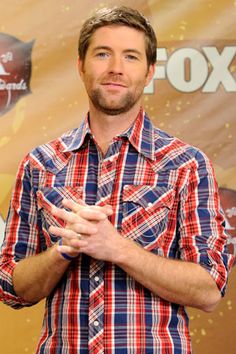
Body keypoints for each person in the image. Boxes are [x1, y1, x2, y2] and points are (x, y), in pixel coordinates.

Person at [0, 6, 234, 354]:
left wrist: (118, 248)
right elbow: (12, 287)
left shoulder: (187, 164)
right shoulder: (40, 164)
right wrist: (61, 252)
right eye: (102, 54)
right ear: (81, 65)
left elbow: (209, 289)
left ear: (149, 71)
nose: (116, 69)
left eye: (131, 56)